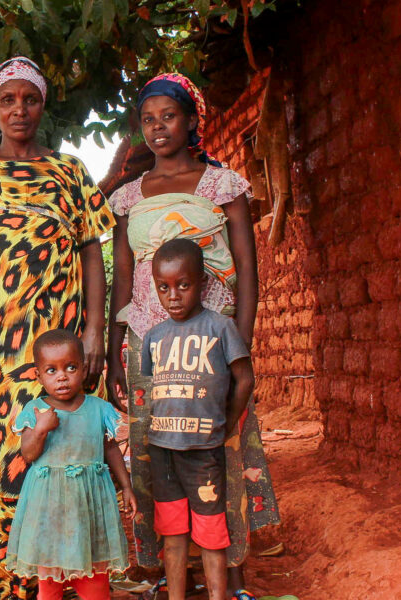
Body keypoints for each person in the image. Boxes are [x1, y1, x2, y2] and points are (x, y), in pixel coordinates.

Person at [0, 56, 114, 600]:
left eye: (30, 99)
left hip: (59, 351)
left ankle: (68, 581)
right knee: (0, 463)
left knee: (66, 459)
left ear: (42, 105)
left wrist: (95, 333)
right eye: (8, 100)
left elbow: (91, 255)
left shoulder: (71, 172)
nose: (19, 109)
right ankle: (4, 586)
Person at [105, 73, 279, 600]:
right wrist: (116, 352)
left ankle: (236, 575)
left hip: (211, 344)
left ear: (191, 120)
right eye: (148, 119)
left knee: (218, 451)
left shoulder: (223, 185)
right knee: (157, 453)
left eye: (169, 116)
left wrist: (238, 346)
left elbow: (247, 270)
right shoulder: (127, 198)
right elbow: (122, 277)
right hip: (145, 345)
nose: (158, 128)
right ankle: (166, 573)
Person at [140, 240, 254, 600]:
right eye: (164, 287)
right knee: (172, 535)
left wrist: (225, 424)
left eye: (183, 285)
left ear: (202, 283)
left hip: (203, 451)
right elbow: (151, 390)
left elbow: (245, 379)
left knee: (210, 533)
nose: (173, 296)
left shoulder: (220, 327)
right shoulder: (153, 336)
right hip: (163, 451)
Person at [5, 329, 136, 600]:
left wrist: (127, 486)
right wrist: (40, 430)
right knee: (50, 584)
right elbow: (28, 454)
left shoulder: (99, 408)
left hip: (89, 507)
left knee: (95, 582)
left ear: (84, 368)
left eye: (71, 367)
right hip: (48, 510)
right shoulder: (36, 410)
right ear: (38, 376)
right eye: (51, 370)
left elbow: (110, 448)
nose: (62, 376)